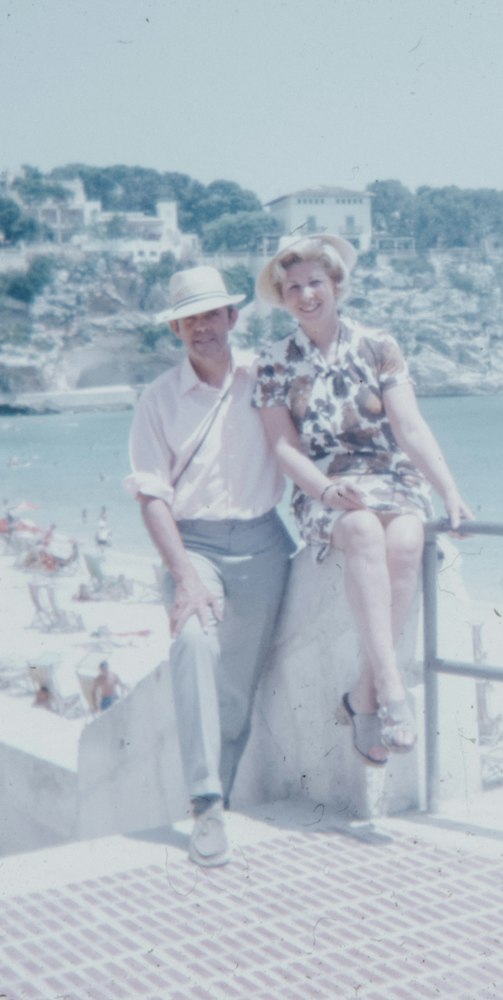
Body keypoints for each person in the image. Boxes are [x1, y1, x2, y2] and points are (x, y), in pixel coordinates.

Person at [253, 234, 472, 767]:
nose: (306, 295)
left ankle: (365, 693)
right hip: (324, 484)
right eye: (294, 287)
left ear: (336, 285)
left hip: (389, 476)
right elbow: (283, 446)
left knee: (406, 536)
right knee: (361, 530)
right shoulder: (273, 361)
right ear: (282, 297)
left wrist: (451, 492)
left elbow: (410, 426)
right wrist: (326, 490)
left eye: (315, 283)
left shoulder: (379, 345)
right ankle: (392, 691)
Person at [126, 265, 294, 868]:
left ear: (233, 318)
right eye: (189, 318)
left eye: (212, 314)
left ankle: (220, 795)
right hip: (192, 545)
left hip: (266, 545)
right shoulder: (158, 401)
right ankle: (205, 806)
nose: (202, 327)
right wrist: (185, 576)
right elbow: (152, 496)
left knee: (237, 691)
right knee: (192, 641)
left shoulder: (267, 376)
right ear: (176, 328)